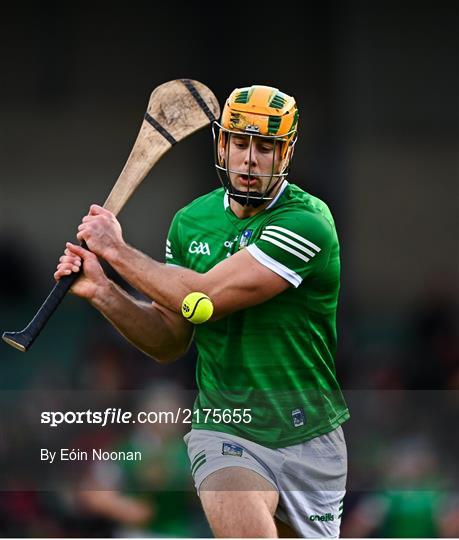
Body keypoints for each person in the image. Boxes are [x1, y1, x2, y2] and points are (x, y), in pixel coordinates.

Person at [55, 84, 350, 538]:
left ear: (286, 153)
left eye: (265, 147)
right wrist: (103, 292)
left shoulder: (306, 223)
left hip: (308, 435)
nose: (250, 159)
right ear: (222, 145)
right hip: (226, 427)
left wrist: (116, 250)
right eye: (239, 142)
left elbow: (204, 300)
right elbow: (169, 338)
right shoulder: (190, 222)